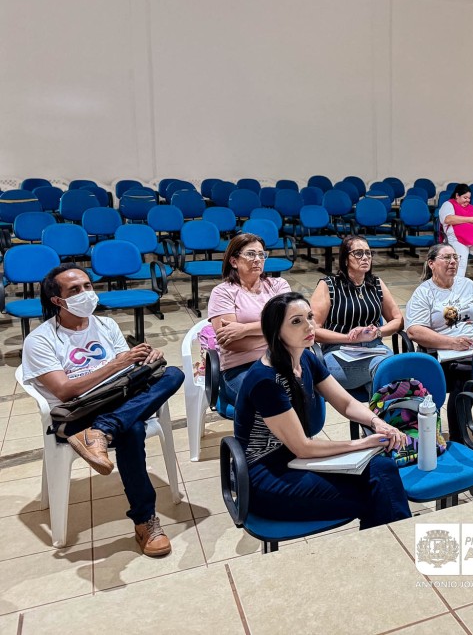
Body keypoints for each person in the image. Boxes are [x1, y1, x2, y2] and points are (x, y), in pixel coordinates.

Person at [22, 263, 184, 557]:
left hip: (116, 401)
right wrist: (117, 364)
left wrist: (145, 360)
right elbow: (65, 390)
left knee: (172, 374)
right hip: (77, 413)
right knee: (132, 430)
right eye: (75, 290)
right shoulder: (40, 340)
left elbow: (126, 370)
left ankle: (103, 430)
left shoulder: (105, 325)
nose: (86, 293)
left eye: (87, 286)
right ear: (58, 300)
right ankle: (145, 521)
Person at [234, 292, 411, 529]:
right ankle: (395, 541)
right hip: (265, 475)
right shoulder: (266, 380)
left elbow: (346, 404)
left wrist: (378, 423)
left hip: (299, 460)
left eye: (309, 317)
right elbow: (303, 447)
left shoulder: (306, 358)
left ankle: (394, 539)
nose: (309, 325)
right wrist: (363, 443)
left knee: (383, 469)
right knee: (376, 492)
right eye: (296, 321)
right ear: (276, 331)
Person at [405, 243, 473, 440]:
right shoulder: (424, 292)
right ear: (431, 263)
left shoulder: (468, 285)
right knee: (465, 375)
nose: (453, 262)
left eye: (455, 257)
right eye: (446, 258)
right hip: (441, 353)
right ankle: (458, 436)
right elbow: (414, 331)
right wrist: (452, 342)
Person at [309, 236, 403, 396]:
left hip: (374, 348)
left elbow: (398, 319)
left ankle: (378, 413)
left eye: (368, 253)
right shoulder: (329, 285)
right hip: (338, 352)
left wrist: (377, 332)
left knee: (381, 378)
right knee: (387, 369)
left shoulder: (376, 283)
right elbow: (313, 329)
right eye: (358, 253)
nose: (365, 257)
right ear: (346, 259)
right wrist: (350, 338)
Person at [208, 234, 291, 405]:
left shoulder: (278, 285)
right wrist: (277, 335)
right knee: (273, 398)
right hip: (241, 368)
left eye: (261, 254)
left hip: (280, 361)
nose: (258, 259)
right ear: (234, 261)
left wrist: (245, 330)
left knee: (308, 390)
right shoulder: (222, 292)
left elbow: (292, 324)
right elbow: (232, 343)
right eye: (251, 254)